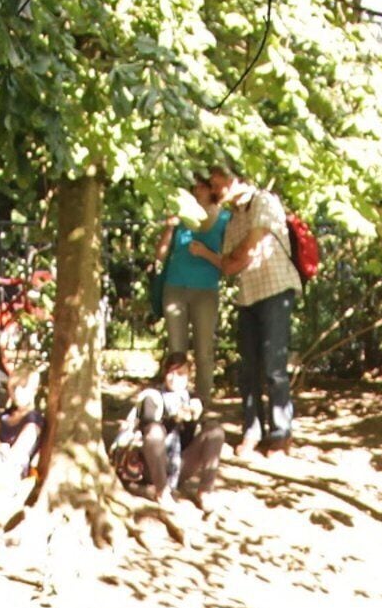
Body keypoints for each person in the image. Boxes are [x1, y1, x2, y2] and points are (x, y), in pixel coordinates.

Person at [200, 166, 299, 453]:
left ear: (235, 178)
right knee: (248, 369)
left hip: (275, 289)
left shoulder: (265, 201)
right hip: (247, 296)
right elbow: (230, 265)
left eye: (218, 182)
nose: (215, 189)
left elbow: (250, 248)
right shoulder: (233, 219)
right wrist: (239, 253)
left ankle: (281, 435)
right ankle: (252, 431)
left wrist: (240, 253)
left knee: (273, 368)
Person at [113, 355, 206, 501]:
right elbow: (149, 428)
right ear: (164, 373)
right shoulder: (151, 396)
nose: (175, 378)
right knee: (155, 431)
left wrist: (192, 420)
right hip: (149, 465)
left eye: (181, 374)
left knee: (215, 431)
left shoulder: (191, 399)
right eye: (171, 373)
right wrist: (175, 418)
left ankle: (205, 493)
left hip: (176, 466)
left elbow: (186, 442)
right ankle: (161, 492)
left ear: (189, 376)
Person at [157, 194, 225, 382]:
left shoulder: (224, 218)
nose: (198, 191)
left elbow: (228, 263)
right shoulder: (181, 216)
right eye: (195, 188)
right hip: (175, 287)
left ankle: (202, 400)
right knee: (176, 352)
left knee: (204, 351)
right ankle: (176, 399)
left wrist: (205, 253)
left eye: (203, 187)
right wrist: (169, 226)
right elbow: (160, 255)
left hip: (206, 290)